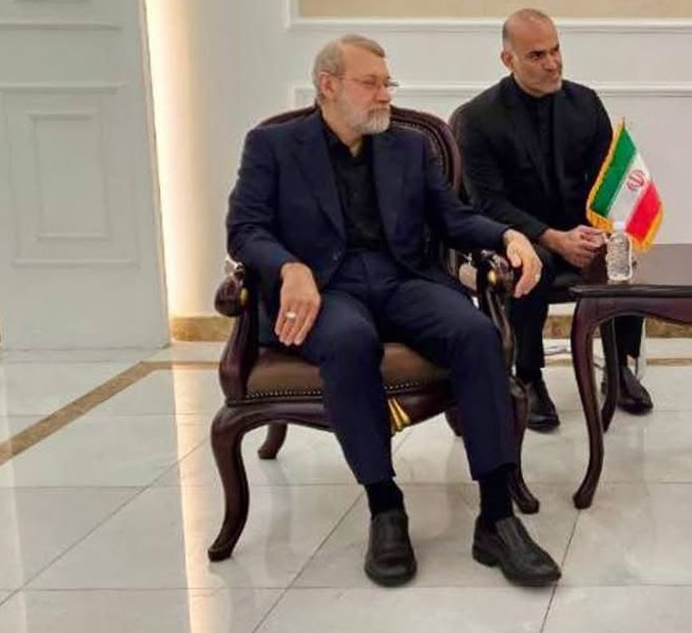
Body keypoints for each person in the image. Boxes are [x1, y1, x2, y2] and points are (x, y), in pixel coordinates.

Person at [225, 34, 560, 587]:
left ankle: (497, 517)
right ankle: (385, 507)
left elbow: (452, 218)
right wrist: (290, 268)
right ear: (328, 86)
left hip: (402, 279)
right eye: (371, 84)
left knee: (476, 333)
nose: (385, 95)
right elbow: (245, 228)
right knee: (349, 341)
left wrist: (508, 236)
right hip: (325, 289)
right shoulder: (273, 146)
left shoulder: (409, 146)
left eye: (388, 83)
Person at [454, 8, 652, 431]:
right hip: (512, 235)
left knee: (621, 251)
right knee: (534, 262)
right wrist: (552, 237)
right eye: (537, 55)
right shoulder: (476, 119)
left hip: (579, 228)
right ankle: (528, 376)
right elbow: (486, 204)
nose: (552, 63)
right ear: (508, 60)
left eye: (556, 50)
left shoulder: (586, 103)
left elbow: (607, 185)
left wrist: (599, 233)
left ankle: (618, 366)